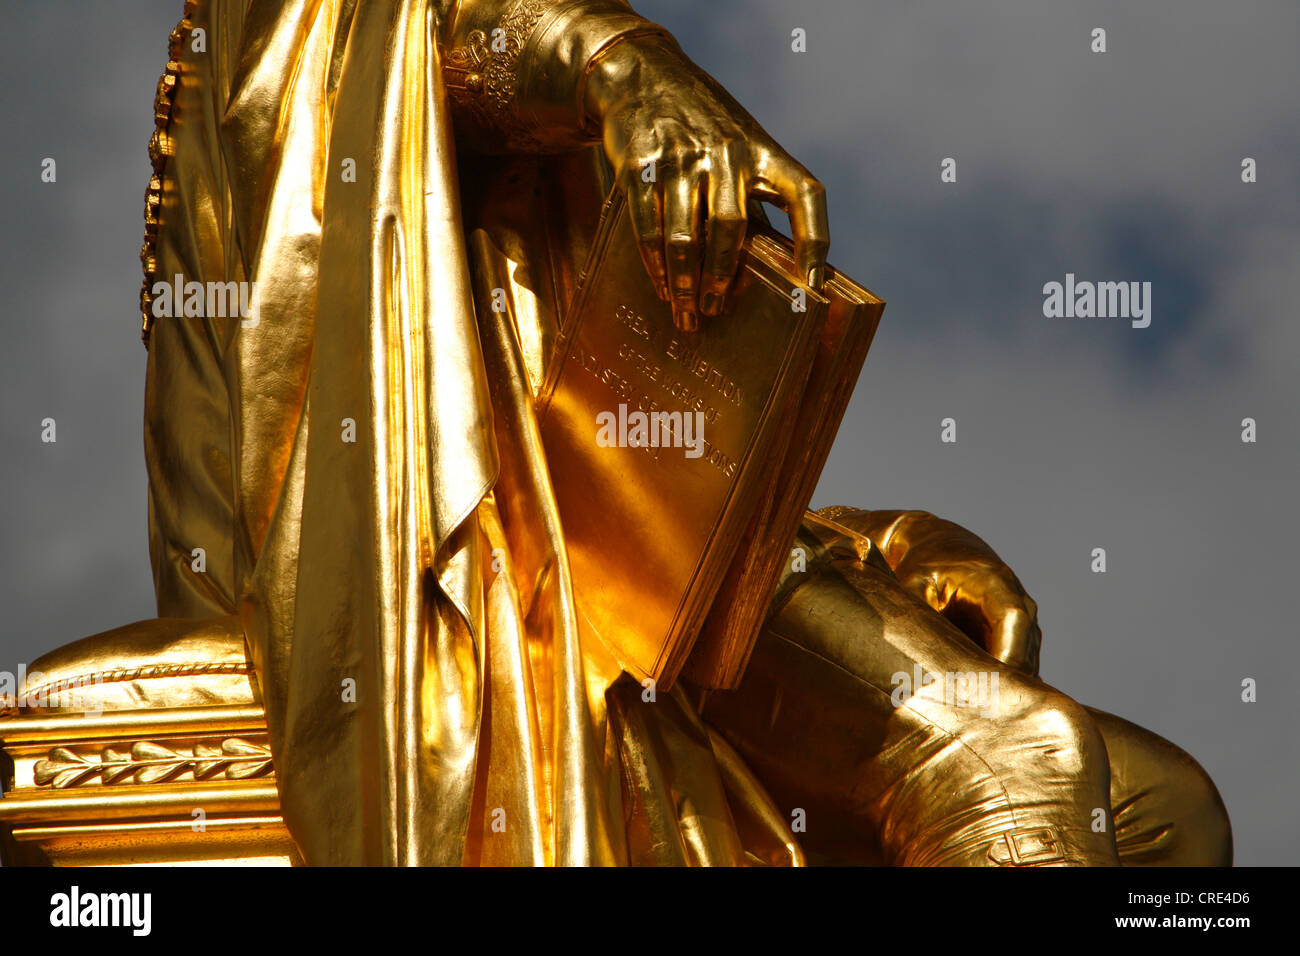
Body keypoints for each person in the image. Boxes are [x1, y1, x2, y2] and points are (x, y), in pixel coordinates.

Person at [31, 0, 1232, 866]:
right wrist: (618, 64)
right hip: (472, 568)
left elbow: (588, 434)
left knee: (1161, 808)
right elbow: (401, 52)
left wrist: (873, 543)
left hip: (576, 534)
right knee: (1015, 758)